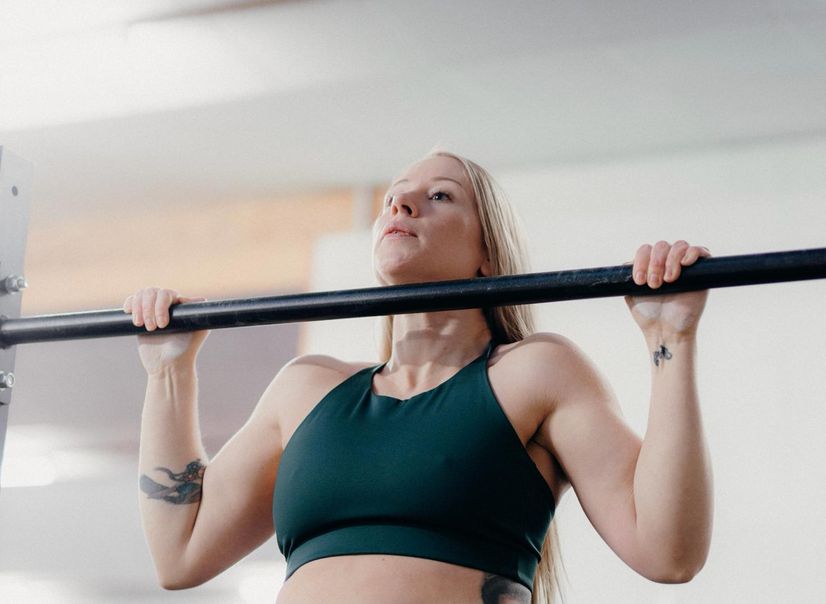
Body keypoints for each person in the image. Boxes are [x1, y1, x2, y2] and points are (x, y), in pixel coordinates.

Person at [123, 151, 713, 604]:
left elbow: (668, 553)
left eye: (438, 196)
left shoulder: (536, 373)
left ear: (488, 252)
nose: (402, 206)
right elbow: (181, 555)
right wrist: (168, 370)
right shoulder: (305, 389)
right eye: (392, 200)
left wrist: (671, 339)